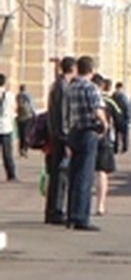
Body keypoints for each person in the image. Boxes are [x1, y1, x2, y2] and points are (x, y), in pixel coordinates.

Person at [65, 56, 106, 231]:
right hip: (88, 132)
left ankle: (71, 215)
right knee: (85, 175)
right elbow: (98, 110)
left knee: (74, 174)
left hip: (74, 132)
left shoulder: (71, 87)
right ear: (92, 70)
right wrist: (105, 125)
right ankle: (82, 217)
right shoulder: (91, 88)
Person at [44, 56, 77, 225]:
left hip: (54, 135)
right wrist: (66, 139)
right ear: (73, 69)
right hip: (60, 137)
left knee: (57, 175)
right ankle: (56, 211)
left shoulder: (56, 85)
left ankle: (52, 210)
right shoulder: (63, 88)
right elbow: (63, 115)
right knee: (60, 175)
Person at [94, 76, 119, 216]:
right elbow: (120, 120)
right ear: (103, 86)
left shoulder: (84, 96)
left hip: (84, 137)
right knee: (101, 172)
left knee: (83, 173)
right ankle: (100, 205)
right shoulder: (110, 102)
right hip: (104, 140)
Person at [0, 73, 16, 182]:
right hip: (6, 127)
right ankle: (11, 174)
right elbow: (12, 110)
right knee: (7, 153)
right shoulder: (9, 95)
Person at [111, 81, 130, 154]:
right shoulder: (123, 96)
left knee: (116, 133)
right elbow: (126, 107)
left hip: (115, 117)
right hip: (123, 118)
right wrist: (128, 118)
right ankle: (124, 147)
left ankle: (115, 148)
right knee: (124, 134)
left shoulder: (113, 96)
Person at [15, 83, 35, 157]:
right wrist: (34, 114)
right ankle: (25, 150)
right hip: (27, 117)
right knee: (26, 134)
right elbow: (32, 105)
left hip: (19, 118)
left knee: (21, 135)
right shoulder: (28, 96)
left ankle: (21, 149)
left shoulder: (17, 96)